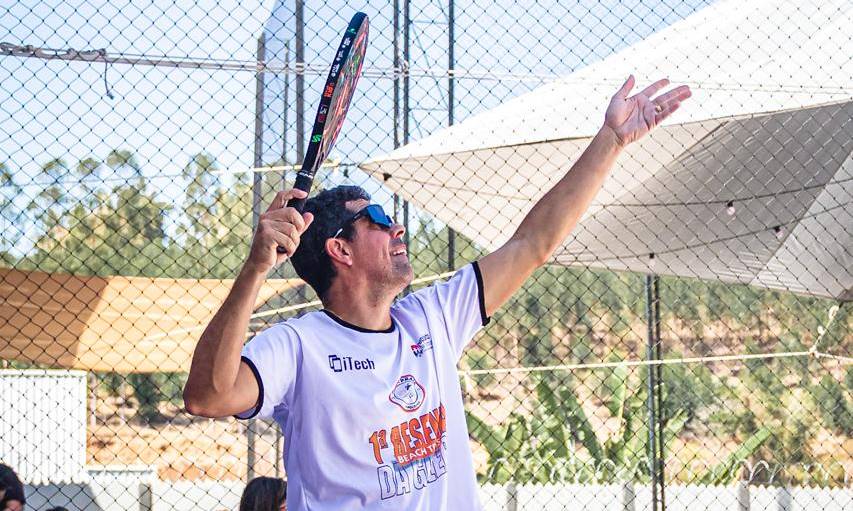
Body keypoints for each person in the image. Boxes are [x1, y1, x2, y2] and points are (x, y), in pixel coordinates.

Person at [184, 75, 690, 510]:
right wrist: (254, 270)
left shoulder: (431, 319)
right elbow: (207, 397)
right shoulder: (297, 347)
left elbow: (534, 243)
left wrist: (612, 141)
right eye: (378, 219)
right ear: (340, 249)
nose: (397, 227)